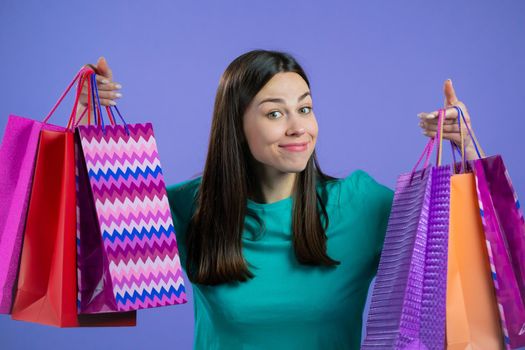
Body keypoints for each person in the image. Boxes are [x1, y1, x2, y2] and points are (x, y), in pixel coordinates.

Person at [78, 50, 481, 349]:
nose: (297, 128)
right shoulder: (190, 207)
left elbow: (472, 257)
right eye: (274, 114)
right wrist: (83, 126)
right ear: (236, 125)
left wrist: (467, 149)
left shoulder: (359, 206)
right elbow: (81, 252)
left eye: (304, 108)